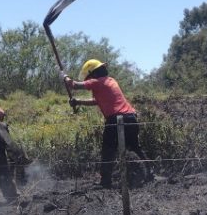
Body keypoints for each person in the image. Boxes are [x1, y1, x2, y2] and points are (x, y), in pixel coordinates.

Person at [61, 59, 149, 188]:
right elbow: (96, 101)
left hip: (116, 119)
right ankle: (150, 173)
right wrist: (78, 101)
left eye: (88, 76)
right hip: (131, 117)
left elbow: (73, 85)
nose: (88, 79)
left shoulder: (96, 82)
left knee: (108, 150)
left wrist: (64, 76)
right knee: (135, 147)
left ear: (92, 74)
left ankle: (106, 181)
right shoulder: (111, 81)